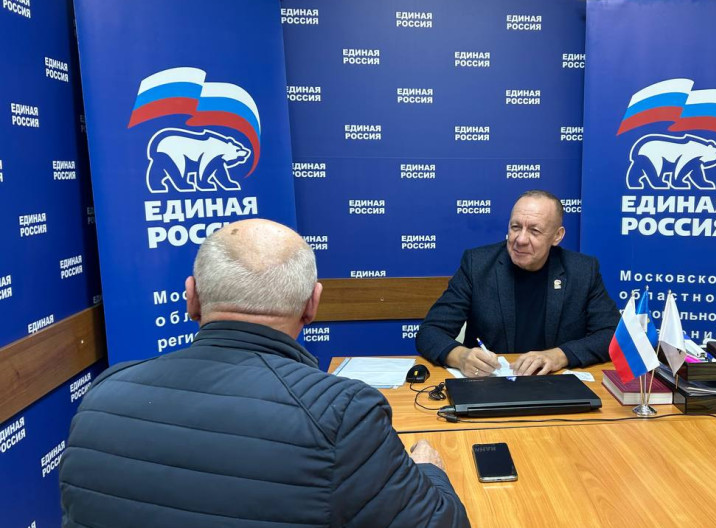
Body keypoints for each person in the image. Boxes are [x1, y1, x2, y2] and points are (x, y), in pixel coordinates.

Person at [60, 219, 470, 528]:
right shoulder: (343, 415)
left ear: (191, 297)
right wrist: (429, 471)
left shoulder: (101, 398)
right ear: (312, 305)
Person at [416, 190, 620, 377]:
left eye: (534, 231)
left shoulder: (582, 270)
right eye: (515, 227)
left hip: (555, 383)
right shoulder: (477, 265)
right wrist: (460, 356)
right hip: (490, 385)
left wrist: (558, 356)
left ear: (557, 236)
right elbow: (430, 332)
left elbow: (613, 335)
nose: (520, 239)